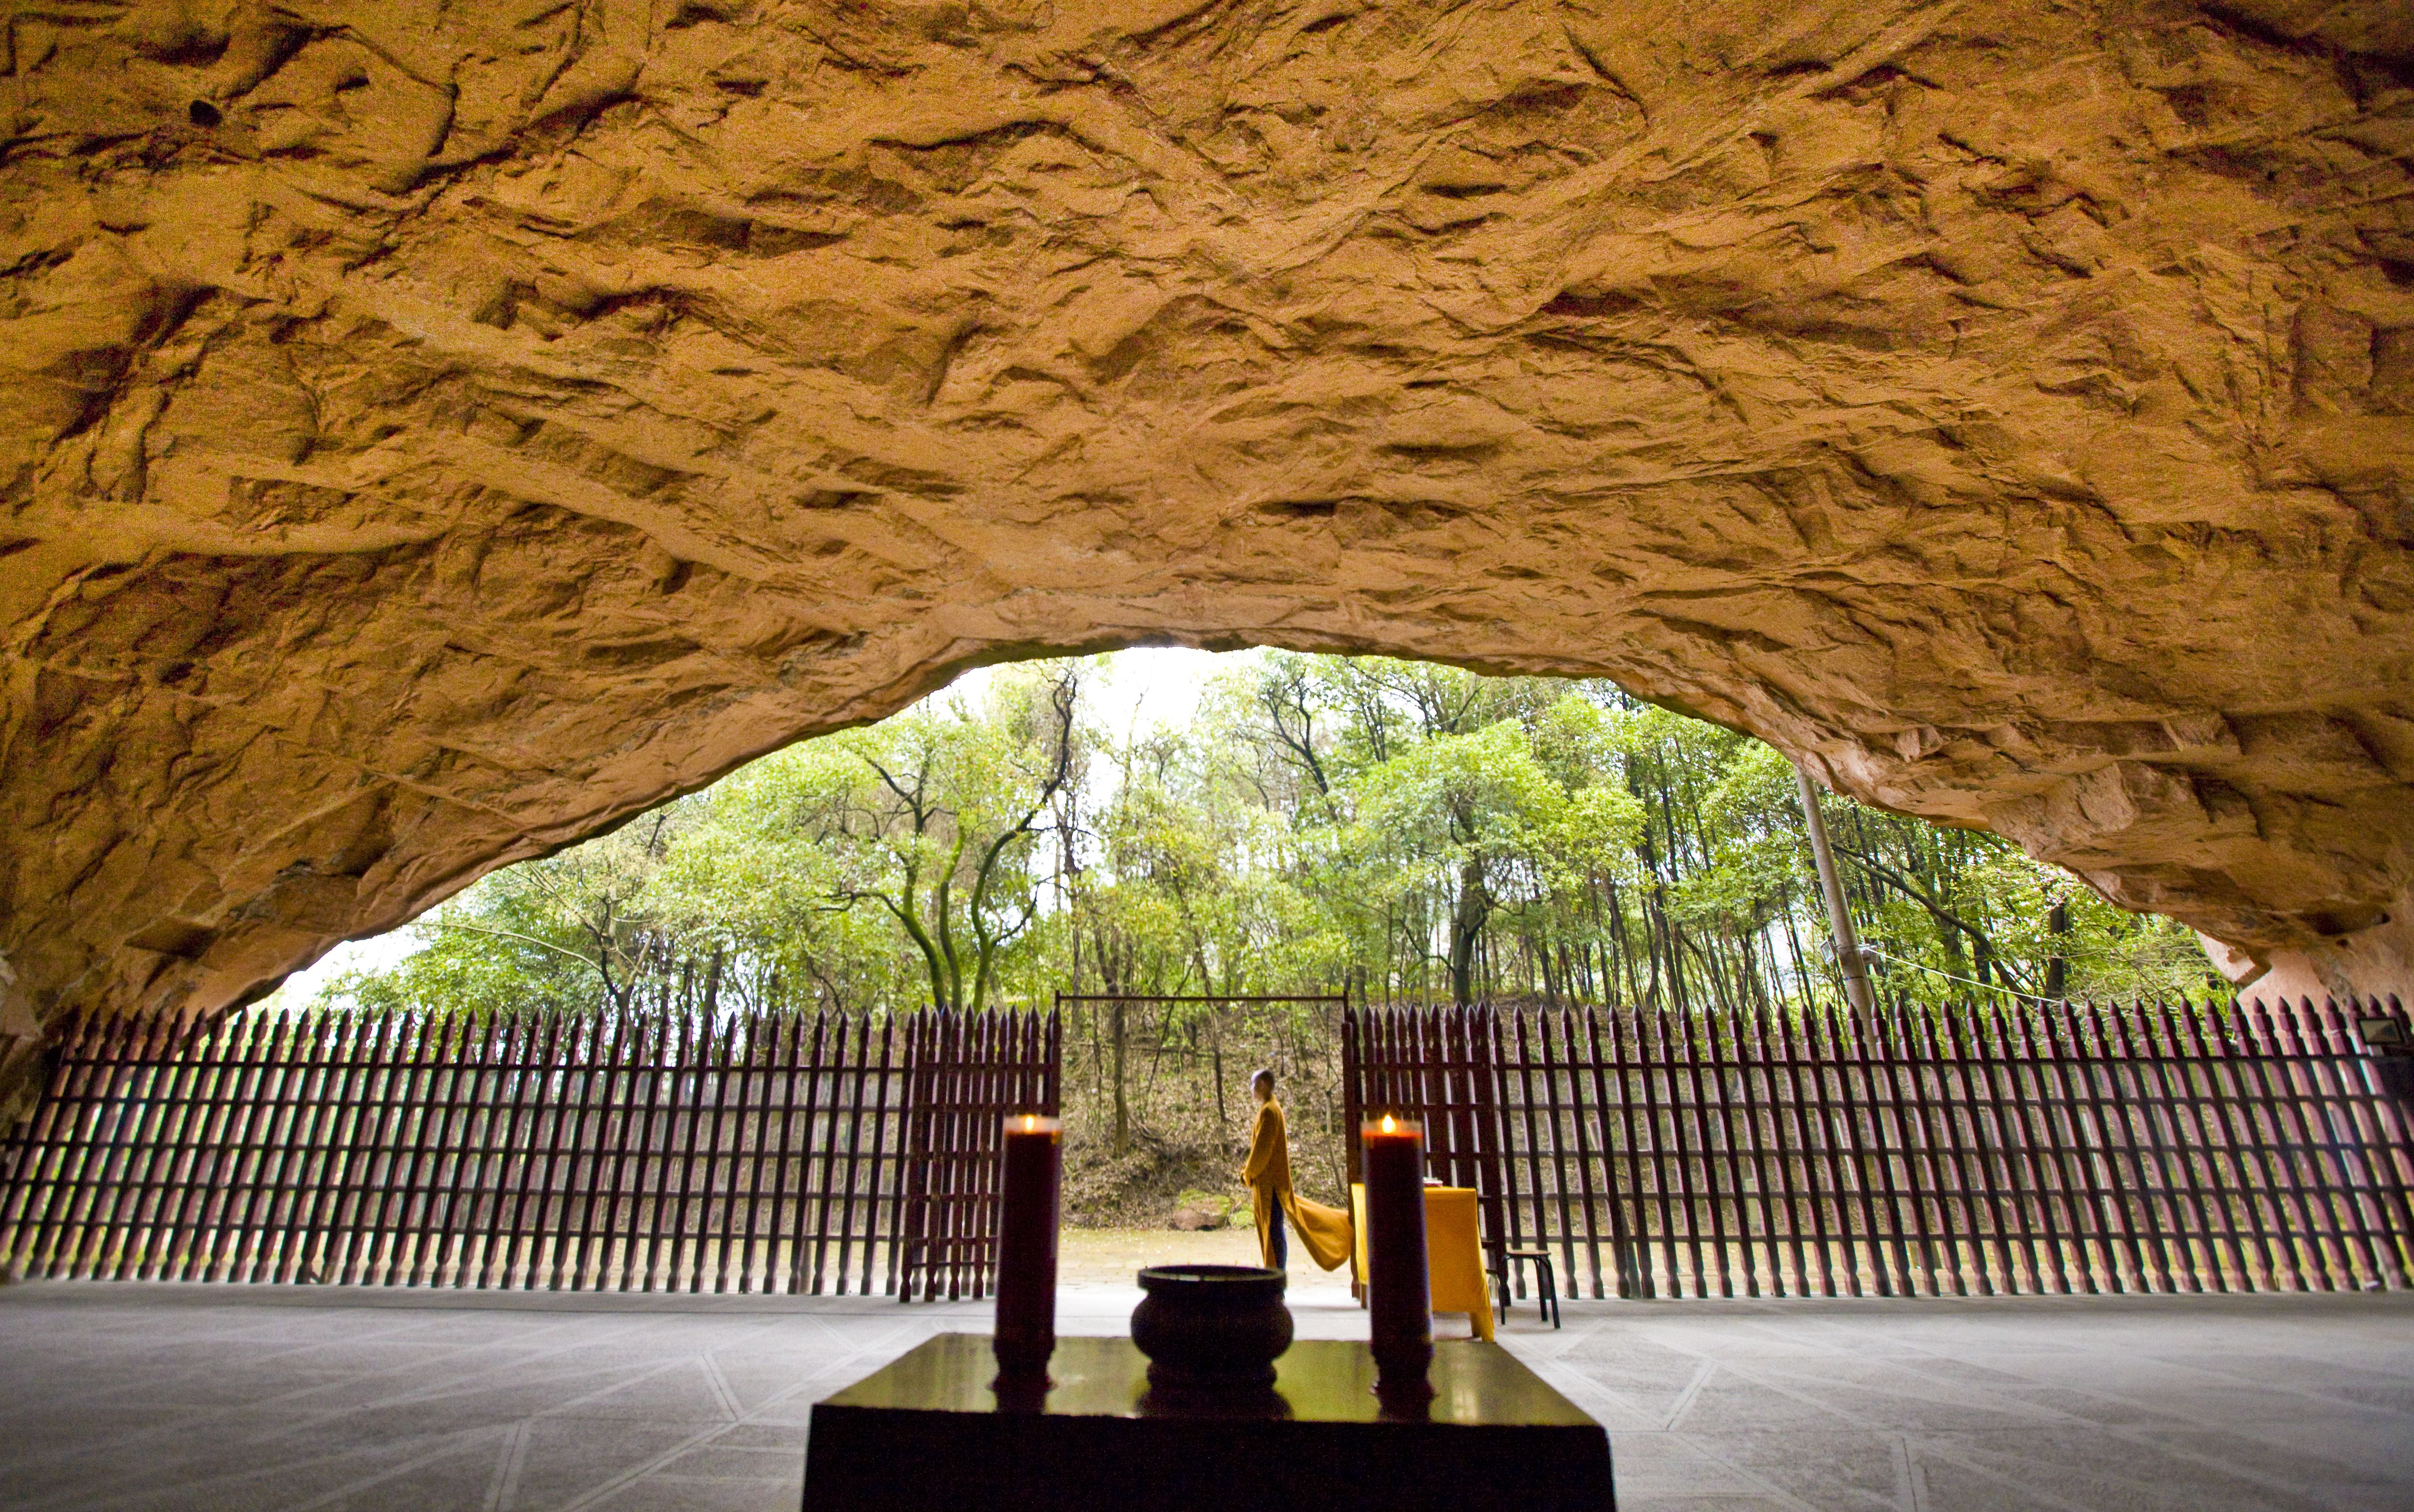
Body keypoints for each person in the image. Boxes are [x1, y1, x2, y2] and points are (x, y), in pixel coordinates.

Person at [1239, 1068, 1352, 1273]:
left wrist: (1248, 1173)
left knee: (1273, 1234)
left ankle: (1275, 1280)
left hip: (1269, 1184)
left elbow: (1262, 1151)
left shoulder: (1269, 1112)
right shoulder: (1271, 1108)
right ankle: (1274, 1277)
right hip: (1269, 1182)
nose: (1251, 1090)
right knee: (1274, 1231)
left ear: (1263, 1085)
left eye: (1253, 1085)